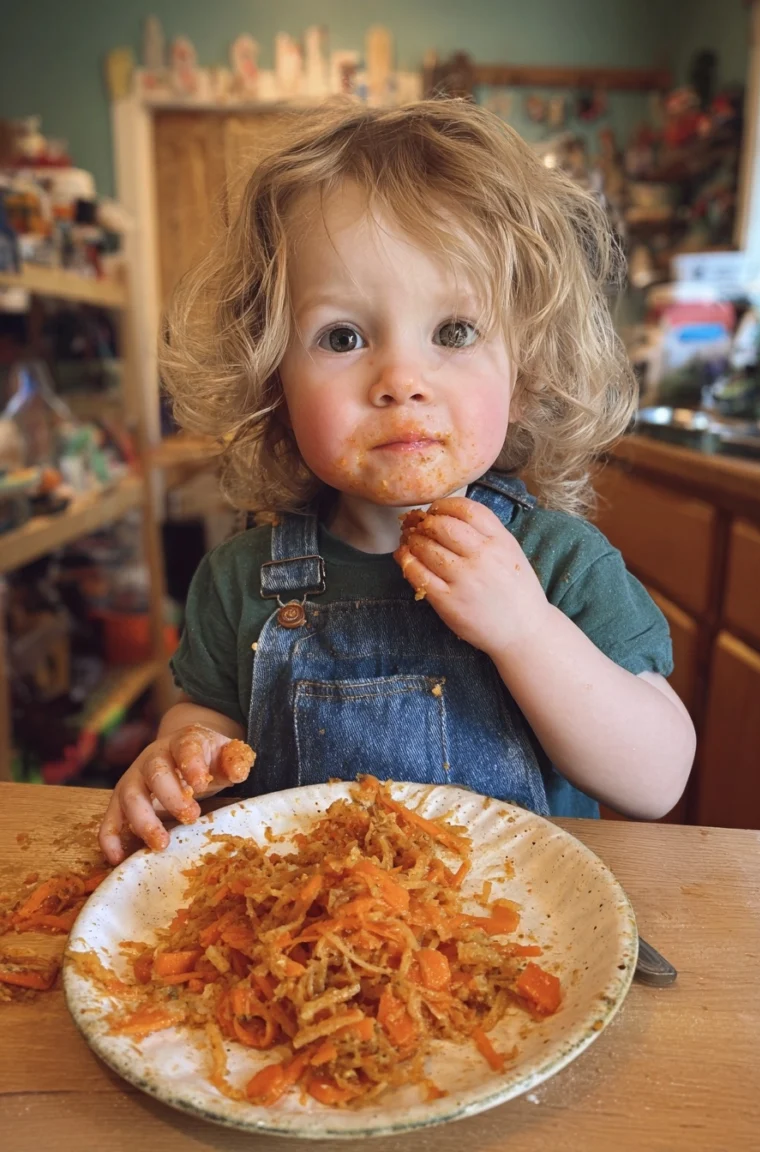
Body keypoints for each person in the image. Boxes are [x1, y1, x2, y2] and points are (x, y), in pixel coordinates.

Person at [99, 100, 695, 866]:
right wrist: (176, 760)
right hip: (304, 946)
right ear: (272, 379)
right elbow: (204, 725)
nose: (402, 380)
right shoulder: (240, 580)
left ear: (526, 369)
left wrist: (526, 631)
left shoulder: (561, 565)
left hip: (519, 950)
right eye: (343, 337)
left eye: (453, 331)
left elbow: (658, 778)